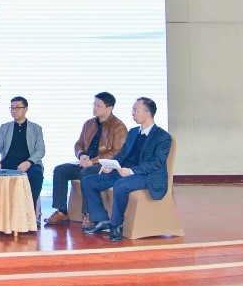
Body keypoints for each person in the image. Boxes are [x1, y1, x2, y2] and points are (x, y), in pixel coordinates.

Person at [82, 97, 172, 242]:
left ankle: (116, 224)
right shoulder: (133, 132)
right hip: (123, 171)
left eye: (136, 110)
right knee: (89, 181)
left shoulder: (162, 137)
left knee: (121, 185)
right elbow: (123, 153)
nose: (133, 113)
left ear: (148, 113)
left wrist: (131, 171)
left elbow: (156, 163)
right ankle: (102, 220)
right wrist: (112, 165)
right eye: (132, 110)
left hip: (146, 175)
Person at [44, 92, 128, 228]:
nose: (95, 108)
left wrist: (92, 162)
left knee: (86, 172)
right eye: (94, 104)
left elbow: (116, 152)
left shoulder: (118, 127)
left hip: (103, 166)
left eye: (99, 106)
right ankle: (62, 211)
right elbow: (79, 144)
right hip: (85, 162)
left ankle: (88, 214)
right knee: (60, 170)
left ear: (110, 108)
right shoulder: (89, 123)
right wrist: (82, 155)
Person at [0, 96, 45, 207]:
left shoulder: (36, 128)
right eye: (12, 108)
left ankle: (28, 209)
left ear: (25, 109)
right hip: (8, 162)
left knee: (37, 174)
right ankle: (0, 211)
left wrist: (29, 162)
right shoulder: (5, 127)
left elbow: (40, 150)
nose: (14, 111)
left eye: (17, 108)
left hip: (29, 163)